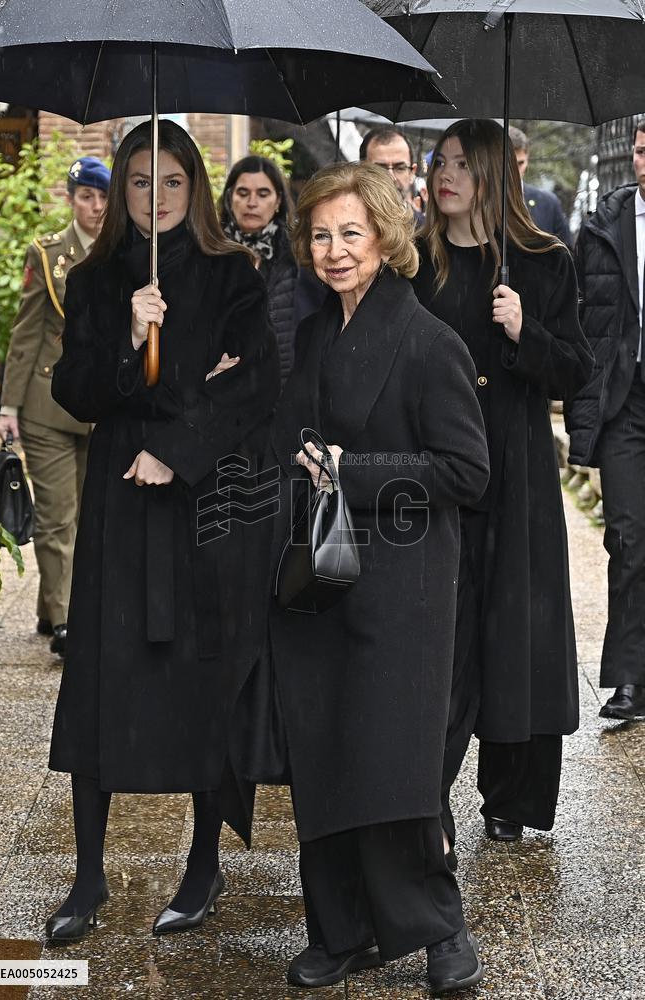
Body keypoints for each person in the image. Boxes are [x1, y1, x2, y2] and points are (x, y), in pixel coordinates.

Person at [248, 162, 489, 994]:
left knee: (396, 767)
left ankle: (443, 934)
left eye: (350, 232)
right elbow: (290, 437)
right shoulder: (315, 335)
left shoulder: (430, 343)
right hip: (319, 586)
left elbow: (467, 471)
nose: (334, 249)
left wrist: (353, 472)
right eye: (319, 234)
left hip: (403, 594)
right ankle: (342, 931)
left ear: (386, 237)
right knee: (324, 758)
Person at [44, 120, 279, 942]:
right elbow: (74, 389)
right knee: (103, 678)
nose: (156, 198)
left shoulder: (233, 276)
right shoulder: (97, 277)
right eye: (140, 182)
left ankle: (203, 864)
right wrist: (125, 338)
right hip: (118, 498)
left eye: (172, 182)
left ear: (196, 189)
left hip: (198, 503)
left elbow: (257, 385)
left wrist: (177, 450)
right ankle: (87, 874)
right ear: (121, 192)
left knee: (198, 678)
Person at [412, 119, 593, 849]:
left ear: (492, 173)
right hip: (439, 470)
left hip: (515, 470)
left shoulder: (543, 262)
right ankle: (428, 793)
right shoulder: (417, 265)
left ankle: (510, 796)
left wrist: (527, 334)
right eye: (439, 162)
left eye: (461, 163)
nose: (444, 175)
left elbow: (577, 368)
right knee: (442, 639)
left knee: (518, 633)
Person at [0, 157, 110, 657]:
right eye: (87, 196)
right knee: (59, 517)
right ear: (71, 197)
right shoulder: (46, 254)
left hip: (101, 404)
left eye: (104, 197)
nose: (97, 207)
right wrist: (8, 407)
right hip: (46, 403)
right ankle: (67, 623)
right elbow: (24, 337)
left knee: (90, 515)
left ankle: (50, 607)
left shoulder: (125, 252)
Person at [565, 119, 645, 722]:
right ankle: (629, 677)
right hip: (627, 401)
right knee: (627, 536)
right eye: (642, 150)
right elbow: (582, 322)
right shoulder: (602, 227)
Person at [219, 155, 324, 386]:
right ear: (229, 198)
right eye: (243, 193)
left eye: (263, 194)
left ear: (278, 201)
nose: (252, 203)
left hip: (285, 389)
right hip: (226, 388)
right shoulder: (211, 255)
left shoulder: (300, 254)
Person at [509, 126, 573, 249]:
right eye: (509, 163)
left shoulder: (548, 203)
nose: (515, 171)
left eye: (520, 163)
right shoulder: (481, 201)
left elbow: (567, 254)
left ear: (528, 159)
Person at [360, 125, 425, 224]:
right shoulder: (341, 219)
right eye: (380, 168)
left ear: (412, 173)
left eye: (400, 168)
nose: (391, 177)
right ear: (362, 170)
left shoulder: (428, 232)